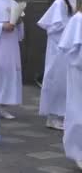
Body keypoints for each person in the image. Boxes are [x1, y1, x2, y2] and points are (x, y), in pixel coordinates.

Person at [37, 0, 78, 130]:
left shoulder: (75, 1)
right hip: (59, 50)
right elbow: (52, 28)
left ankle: (64, 114)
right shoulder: (60, 2)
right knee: (58, 80)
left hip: (71, 48)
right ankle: (53, 115)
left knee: (68, 82)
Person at [57, 9, 82, 170]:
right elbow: (68, 47)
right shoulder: (78, 19)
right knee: (78, 110)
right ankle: (78, 151)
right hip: (79, 71)